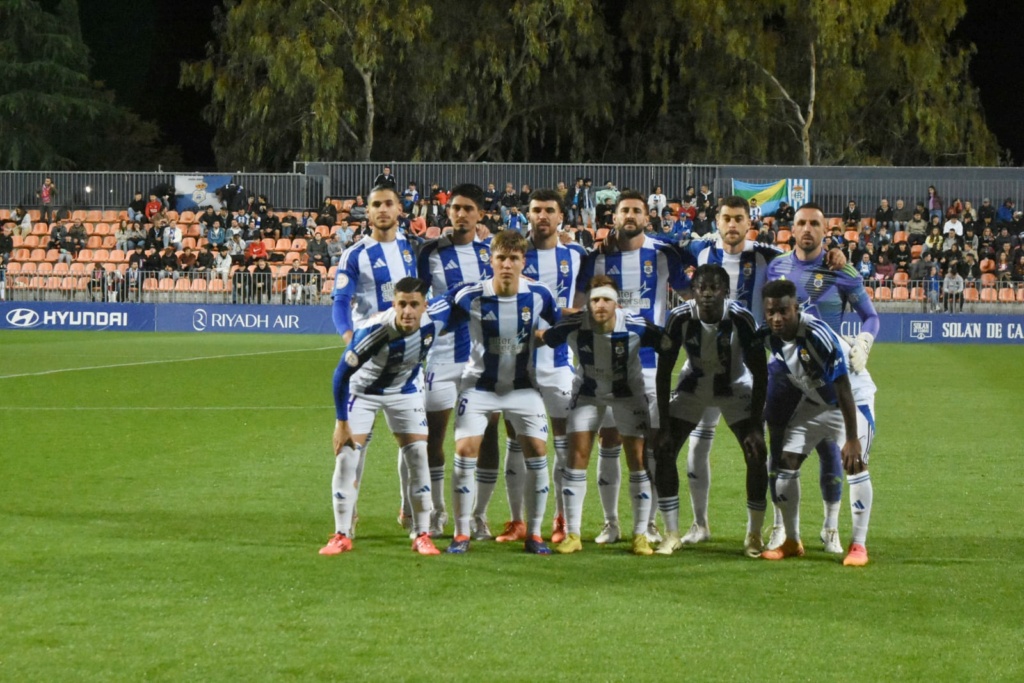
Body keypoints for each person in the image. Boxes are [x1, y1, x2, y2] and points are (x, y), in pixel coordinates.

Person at [426, 230, 560, 555]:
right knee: (466, 449)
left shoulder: (539, 294)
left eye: (514, 258)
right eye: (501, 258)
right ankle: (461, 533)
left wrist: (549, 335)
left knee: (538, 451)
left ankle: (535, 533)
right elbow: (436, 317)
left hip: (522, 388)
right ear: (491, 260)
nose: (507, 265)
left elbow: (560, 328)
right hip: (479, 386)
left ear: (522, 262)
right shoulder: (470, 295)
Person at [574, 189, 693, 544]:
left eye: (636, 211)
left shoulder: (662, 253)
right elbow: (580, 305)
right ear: (614, 218)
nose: (630, 215)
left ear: (647, 217)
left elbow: (689, 294)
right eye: (624, 210)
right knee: (607, 439)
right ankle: (611, 523)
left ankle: (649, 524)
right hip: (604, 366)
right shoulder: (595, 259)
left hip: (650, 365)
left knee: (649, 445)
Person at [764, 202, 879, 554]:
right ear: (792, 229)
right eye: (802, 223)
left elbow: (870, 317)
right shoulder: (776, 265)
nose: (808, 229)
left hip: (834, 369)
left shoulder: (841, 270)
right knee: (781, 450)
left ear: (824, 230)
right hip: (789, 373)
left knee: (836, 452)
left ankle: (833, 529)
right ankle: (782, 530)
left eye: (815, 223)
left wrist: (865, 341)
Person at [489, 189, 587, 545]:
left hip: (559, 364)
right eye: (536, 210)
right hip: (519, 365)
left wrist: (561, 324)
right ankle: (517, 521)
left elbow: (582, 306)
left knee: (562, 443)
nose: (542, 216)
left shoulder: (576, 254)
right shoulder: (516, 254)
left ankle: (561, 521)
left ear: (561, 216)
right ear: (527, 215)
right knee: (517, 442)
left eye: (549, 210)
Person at [538, 276, 662, 556]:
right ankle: (573, 534)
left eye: (606, 299)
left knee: (638, 460)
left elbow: (668, 342)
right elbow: (546, 338)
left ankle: (640, 535)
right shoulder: (574, 324)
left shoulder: (635, 325)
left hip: (628, 395)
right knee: (576, 456)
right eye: (595, 300)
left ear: (617, 303)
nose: (600, 305)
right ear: (589, 303)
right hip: (588, 394)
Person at [320, 277, 441, 557]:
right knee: (346, 457)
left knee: (419, 456)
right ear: (393, 303)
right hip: (364, 391)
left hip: (404, 390)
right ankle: (341, 534)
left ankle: (422, 533)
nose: (407, 311)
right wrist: (342, 424)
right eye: (401, 304)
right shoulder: (374, 331)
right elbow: (340, 375)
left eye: (414, 305)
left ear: (425, 305)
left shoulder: (436, 319)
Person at [654, 265, 768, 557]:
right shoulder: (679, 317)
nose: (706, 293)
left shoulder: (741, 318)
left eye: (713, 287)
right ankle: (671, 533)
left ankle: (754, 534)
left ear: (725, 291)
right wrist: (664, 425)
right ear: (692, 292)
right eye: (700, 288)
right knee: (664, 450)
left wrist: (756, 425)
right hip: (694, 384)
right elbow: (663, 371)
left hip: (734, 385)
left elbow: (761, 372)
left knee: (756, 453)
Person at [333, 184, 419, 527]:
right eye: (375, 205)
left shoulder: (409, 249)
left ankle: (409, 510)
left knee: (410, 441)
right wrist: (350, 337)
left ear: (399, 209)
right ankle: (348, 513)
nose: (382, 210)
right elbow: (340, 301)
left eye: (388, 204)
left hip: (407, 360)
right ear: (367, 212)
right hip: (369, 359)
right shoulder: (354, 254)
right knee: (357, 442)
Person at [415, 183, 494, 537]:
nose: (460, 214)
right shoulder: (429, 252)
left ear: (480, 214)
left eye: (468, 209)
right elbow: (418, 301)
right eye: (455, 208)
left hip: (481, 356)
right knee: (434, 436)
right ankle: (436, 512)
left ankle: (479, 514)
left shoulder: (491, 253)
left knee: (487, 436)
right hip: (441, 357)